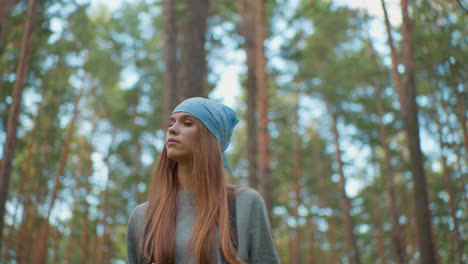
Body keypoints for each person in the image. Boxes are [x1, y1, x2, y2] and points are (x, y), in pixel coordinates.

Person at [126, 97, 280, 264]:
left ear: (210, 138)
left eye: (187, 123)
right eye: (171, 124)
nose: (172, 129)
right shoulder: (142, 216)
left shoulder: (246, 203)